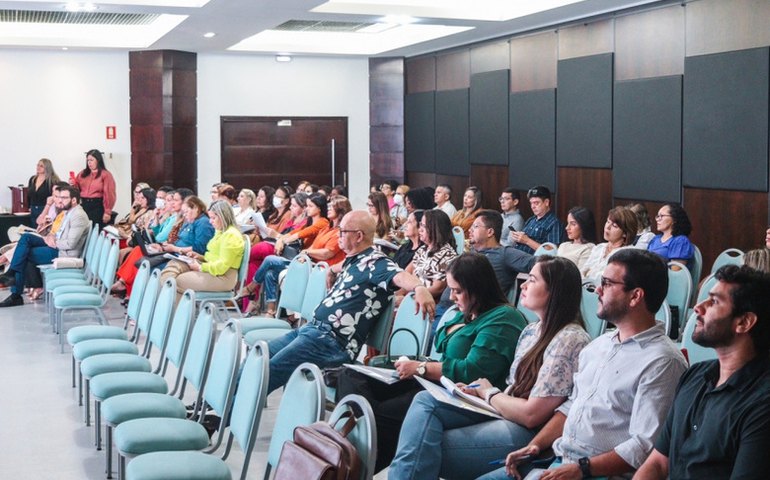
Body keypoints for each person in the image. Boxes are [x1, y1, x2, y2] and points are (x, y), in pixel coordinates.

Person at [485, 249, 688, 480]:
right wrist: (535, 446)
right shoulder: (598, 346)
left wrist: (582, 469)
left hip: (600, 473)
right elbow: (571, 407)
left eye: (607, 283)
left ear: (635, 296)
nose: (598, 290)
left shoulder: (662, 362)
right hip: (562, 460)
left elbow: (644, 447)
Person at [390, 256, 591, 479]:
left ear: (554, 291)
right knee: (424, 403)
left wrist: (488, 393)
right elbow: (512, 389)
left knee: (421, 445)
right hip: (504, 412)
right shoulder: (532, 331)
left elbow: (531, 415)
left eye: (532, 280)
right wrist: (478, 392)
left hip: (529, 433)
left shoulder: (570, 339)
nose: (523, 285)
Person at [338, 253, 527, 472]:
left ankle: (355, 463)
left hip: (463, 394)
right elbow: (442, 341)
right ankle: (353, 451)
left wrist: (421, 368)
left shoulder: (503, 318)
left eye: (457, 291)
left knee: (380, 413)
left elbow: (471, 371)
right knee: (350, 376)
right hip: (435, 381)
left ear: (478, 288)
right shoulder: (470, 311)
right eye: (451, 289)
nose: (452, 297)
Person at [265, 210, 436, 394]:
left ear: (359, 236)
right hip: (313, 331)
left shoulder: (376, 262)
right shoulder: (356, 258)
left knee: (266, 373)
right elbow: (341, 266)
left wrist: (419, 287)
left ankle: (243, 405)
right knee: (259, 359)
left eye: (342, 231)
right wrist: (331, 270)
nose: (338, 235)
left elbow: (399, 275)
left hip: (330, 342)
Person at [634, 264, 770, 480]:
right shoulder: (695, 375)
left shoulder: (761, 403)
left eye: (714, 302)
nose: (698, 307)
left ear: (744, 322)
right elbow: (658, 463)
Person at [0, 186, 90, 307]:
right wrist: (50, 237)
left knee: (24, 255)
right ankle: (12, 274)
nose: (59, 200)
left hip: (64, 253)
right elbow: (57, 232)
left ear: (74, 200)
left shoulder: (78, 215)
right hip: (56, 245)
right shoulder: (68, 212)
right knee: (26, 237)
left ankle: (15, 293)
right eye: (59, 197)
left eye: (64, 198)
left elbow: (70, 244)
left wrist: (52, 241)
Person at [249, 193, 331, 316]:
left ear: (319, 208)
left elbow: (299, 234)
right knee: (270, 273)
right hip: (299, 259)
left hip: (308, 261)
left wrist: (281, 240)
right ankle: (271, 310)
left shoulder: (322, 222)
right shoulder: (309, 222)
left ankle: (251, 287)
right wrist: (281, 240)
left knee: (269, 259)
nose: (307, 209)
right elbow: (292, 233)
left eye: (310, 206)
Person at [159, 199, 243, 301]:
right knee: (173, 266)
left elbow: (222, 266)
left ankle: (171, 307)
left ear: (223, 217)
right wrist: (200, 257)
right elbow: (215, 257)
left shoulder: (231, 235)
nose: (210, 221)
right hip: (213, 270)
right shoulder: (221, 231)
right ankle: (166, 304)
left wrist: (200, 267)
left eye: (213, 218)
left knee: (178, 281)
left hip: (223, 277)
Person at [468, 209, 535, 293]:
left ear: (490, 232)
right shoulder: (471, 252)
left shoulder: (505, 254)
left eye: (475, 226)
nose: (470, 230)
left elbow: (541, 264)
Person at [404, 209, 457, 302]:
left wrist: (409, 300)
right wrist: (398, 294)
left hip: (426, 302)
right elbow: (408, 274)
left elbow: (438, 289)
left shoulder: (447, 255)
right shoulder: (423, 249)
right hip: (412, 296)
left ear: (436, 230)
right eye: (420, 225)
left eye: (424, 226)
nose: (420, 229)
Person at [582, 206, 638, 283]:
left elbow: (605, 278)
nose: (607, 227)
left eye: (614, 226)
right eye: (608, 222)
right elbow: (583, 271)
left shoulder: (627, 253)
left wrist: (588, 273)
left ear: (625, 233)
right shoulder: (599, 247)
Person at [512, 186, 564, 254]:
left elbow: (551, 251)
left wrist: (527, 241)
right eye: (531, 203)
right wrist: (518, 237)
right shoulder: (531, 219)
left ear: (546, 202)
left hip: (532, 258)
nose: (533, 206)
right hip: (517, 254)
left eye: (536, 203)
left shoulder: (554, 223)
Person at [71, 149, 116, 227]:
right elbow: (76, 190)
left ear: (98, 160)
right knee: (82, 227)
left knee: (95, 228)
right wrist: (72, 184)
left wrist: (107, 212)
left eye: (91, 160)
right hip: (84, 204)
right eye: (88, 160)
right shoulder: (83, 173)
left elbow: (109, 194)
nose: (89, 162)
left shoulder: (105, 174)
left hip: (97, 206)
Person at [557, 206, 597, 270]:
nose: (567, 228)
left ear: (583, 226)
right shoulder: (563, 245)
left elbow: (581, 273)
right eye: (568, 223)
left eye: (573, 224)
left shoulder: (589, 248)